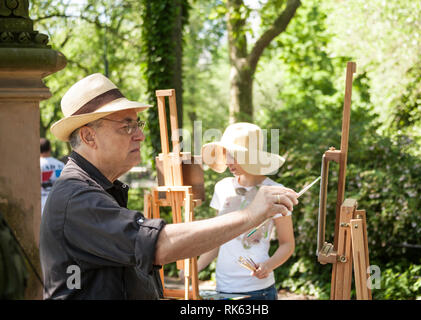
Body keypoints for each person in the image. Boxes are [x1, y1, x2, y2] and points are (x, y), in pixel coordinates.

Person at [39, 73, 299, 300]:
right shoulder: (76, 196)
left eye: (136, 124)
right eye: (126, 126)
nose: (139, 135)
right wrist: (251, 214)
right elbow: (158, 245)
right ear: (88, 136)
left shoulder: (99, 188)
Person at [197, 123, 295, 300]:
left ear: (251, 156)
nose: (227, 161)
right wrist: (194, 269)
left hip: (259, 292)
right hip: (223, 288)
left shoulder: (276, 192)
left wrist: (269, 265)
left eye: (233, 155)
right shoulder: (222, 187)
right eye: (226, 154)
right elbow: (216, 239)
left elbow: (287, 244)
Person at [40, 138, 65, 216]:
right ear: (50, 148)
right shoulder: (60, 165)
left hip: (42, 206)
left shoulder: (37, 165)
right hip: (60, 205)